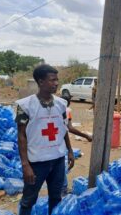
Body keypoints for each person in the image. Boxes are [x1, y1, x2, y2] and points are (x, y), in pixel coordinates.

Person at [16, 64, 74, 215]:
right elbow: (21, 136)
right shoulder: (25, 105)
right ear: (41, 82)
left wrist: (70, 151)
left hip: (57, 160)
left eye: (57, 80)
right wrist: (25, 165)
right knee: (29, 200)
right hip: (36, 163)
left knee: (56, 197)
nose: (56, 83)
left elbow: (63, 129)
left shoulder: (61, 104)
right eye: (52, 80)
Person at [60, 95, 92, 195]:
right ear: (69, 102)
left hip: (53, 142)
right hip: (60, 143)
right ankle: (63, 190)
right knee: (62, 165)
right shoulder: (67, 110)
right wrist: (85, 135)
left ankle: (60, 188)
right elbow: (69, 128)